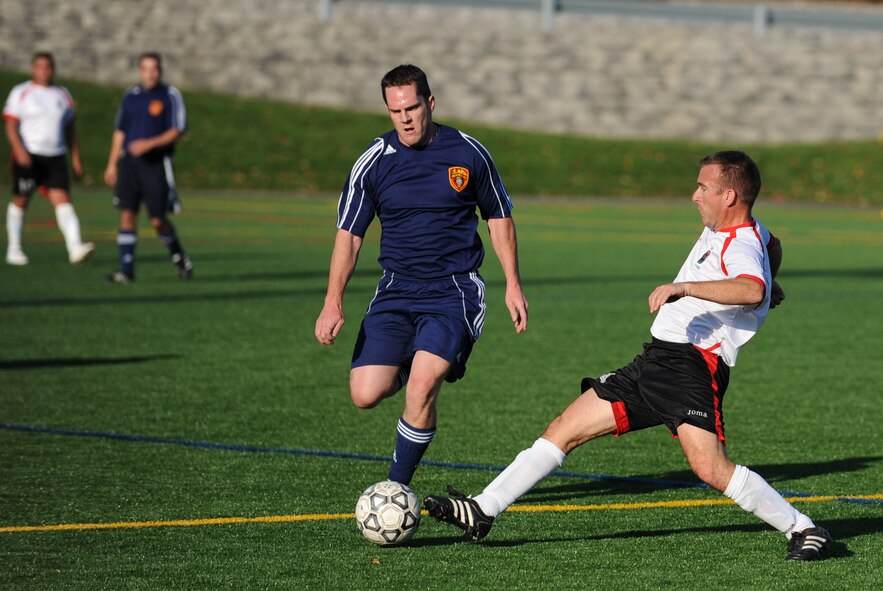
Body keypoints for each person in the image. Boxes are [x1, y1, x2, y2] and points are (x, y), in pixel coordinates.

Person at [424, 151, 833, 561]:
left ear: (729, 195)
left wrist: (689, 288)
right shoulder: (748, 231)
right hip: (656, 361)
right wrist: (772, 277)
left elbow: (751, 289)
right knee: (564, 428)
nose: (694, 196)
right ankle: (483, 508)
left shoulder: (739, 242)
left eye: (703, 188)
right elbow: (771, 247)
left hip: (690, 368)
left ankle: (804, 529)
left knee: (710, 468)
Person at [315, 64, 529, 487]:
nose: (405, 118)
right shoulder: (373, 162)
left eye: (412, 107)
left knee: (422, 385)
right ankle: (415, 360)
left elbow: (499, 218)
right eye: (395, 112)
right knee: (365, 393)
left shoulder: (468, 153)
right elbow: (350, 235)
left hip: (454, 290)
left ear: (429, 103)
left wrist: (513, 285)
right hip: (396, 290)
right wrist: (332, 301)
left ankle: (396, 488)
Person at [104, 52, 192, 282]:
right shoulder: (130, 96)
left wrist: (150, 143)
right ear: (140, 71)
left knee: (157, 220)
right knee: (127, 215)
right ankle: (126, 270)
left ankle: (179, 257)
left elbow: (178, 129)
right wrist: (112, 163)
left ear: (160, 71)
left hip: (156, 165)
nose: (150, 74)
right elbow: (120, 131)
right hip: (129, 165)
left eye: (154, 69)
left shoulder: (170, 95)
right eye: (146, 69)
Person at [4, 52, 95, 266]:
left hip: (55, 156)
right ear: (33, 69)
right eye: (40, 66)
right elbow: (10, 125)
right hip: (29, 155)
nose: (44, 70)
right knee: (21, 199)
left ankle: (75, 248)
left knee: (63, 201)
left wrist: (75, 158)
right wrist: (20, 150)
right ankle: (14, 248)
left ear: (53, 69)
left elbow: (70, 129)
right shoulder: (22, 92)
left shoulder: (62, 94)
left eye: (48, 66)